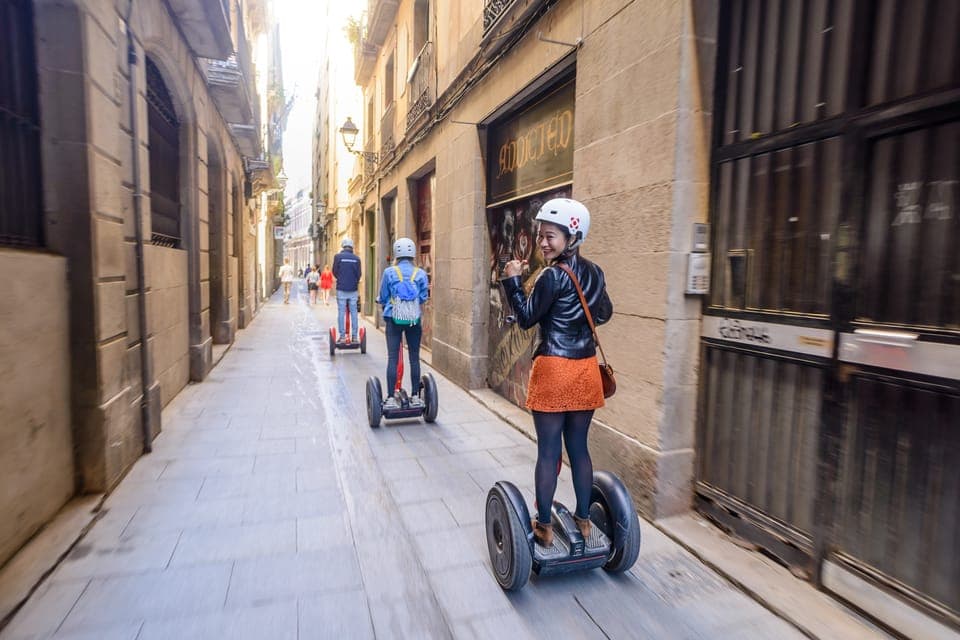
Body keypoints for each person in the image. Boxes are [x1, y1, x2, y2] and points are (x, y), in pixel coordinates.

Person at [500, 198, 612, 548]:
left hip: (553, 369)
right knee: (578, 448)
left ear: (572, 236)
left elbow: (526, 317)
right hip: (584, 370)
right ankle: (582, 521)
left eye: (550, 236)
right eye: (541, 236)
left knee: (549, 452)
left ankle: (544, 526)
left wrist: (513, 281)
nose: (543, 243)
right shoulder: (594, 273)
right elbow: (605, 313)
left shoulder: (550, 276)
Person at [377, 237, 429, 408]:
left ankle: (391, 398)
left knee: (393, 358)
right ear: (413, 253)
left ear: (396, 253)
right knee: (414, 358)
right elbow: (423, 298)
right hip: (413, 322)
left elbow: (383, 296)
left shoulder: (389, 273)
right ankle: (415, 396)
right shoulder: (420, 274)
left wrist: (383, 301)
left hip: (394, 320)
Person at [332, 237, 362, 341]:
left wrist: (340, 278)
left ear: (343, 246)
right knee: (354, 312)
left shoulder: (338, 257)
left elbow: (334, 271)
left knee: (341, 312)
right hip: (353, 289)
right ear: (352, 247)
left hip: (341, 289)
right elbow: (359, 274)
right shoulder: (357, 259)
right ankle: (354, 337)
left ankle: (342, 336)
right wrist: (353, 281)